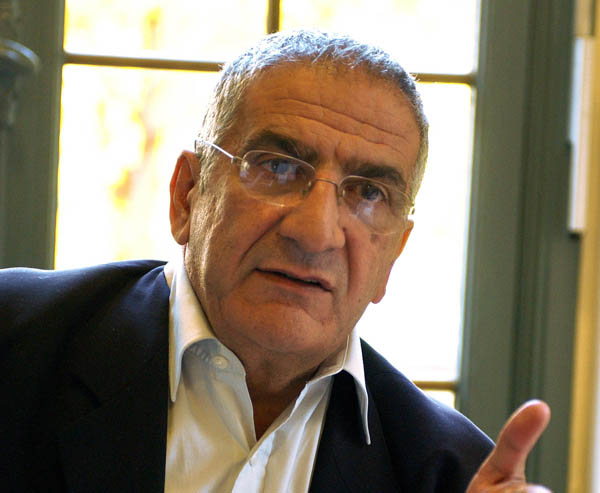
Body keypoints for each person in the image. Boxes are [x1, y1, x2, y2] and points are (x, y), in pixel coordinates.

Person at [0, 29, 551, 492]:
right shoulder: (15, 340)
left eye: (368, 193)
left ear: (393, 254)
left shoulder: (449, 475)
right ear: (187, 196)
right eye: (278, 167)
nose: (316, 233)